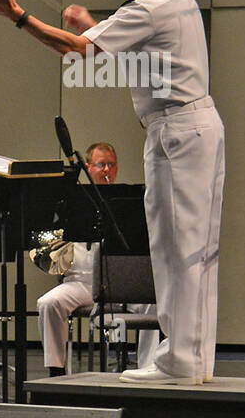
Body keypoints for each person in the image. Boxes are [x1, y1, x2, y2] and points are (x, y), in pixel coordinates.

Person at [0, 0, 224, 385]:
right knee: (187, 249)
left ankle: (181, 359)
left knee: (178, 248)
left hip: (179, 131)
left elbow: (76, 52)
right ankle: (191, 358)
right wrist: (93, 27)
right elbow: (140, 58)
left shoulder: (151, 4)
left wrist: (19, 17)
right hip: (185, 127)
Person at [36, 142, 157, 376]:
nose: (106, 170)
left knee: (155, 303)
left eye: (111, 165)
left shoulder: (126, 202)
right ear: (88, 167)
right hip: (80, 283)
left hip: (122, 285)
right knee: (48, 303)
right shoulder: (74, 203)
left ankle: (149, 366)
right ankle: (56, 370)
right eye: (101, 165)